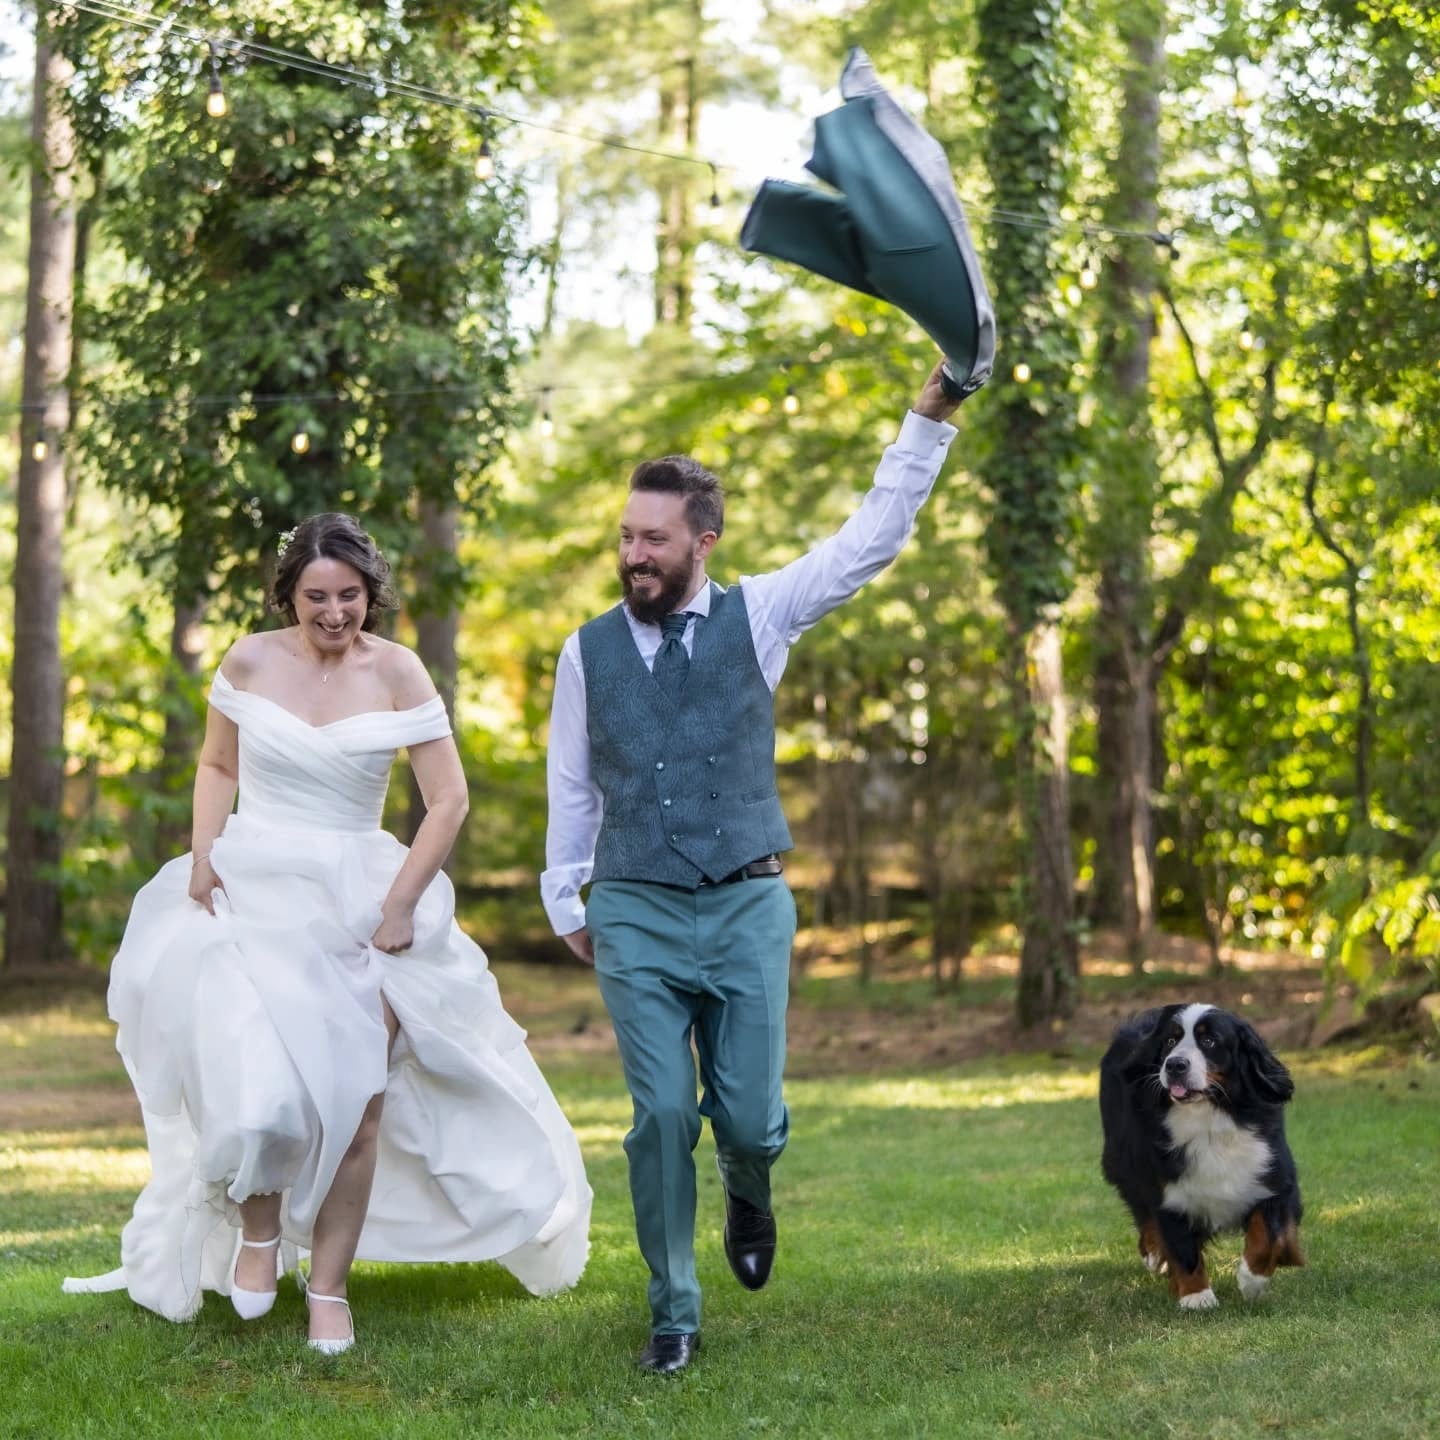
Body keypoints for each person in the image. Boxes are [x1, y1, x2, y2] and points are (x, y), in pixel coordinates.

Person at [65, 513, 591, 1352]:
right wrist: (205, 855)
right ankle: (263, 1233)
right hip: (256, 880)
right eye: (317, 596)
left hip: (361, 889)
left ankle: (331, 1289)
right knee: (257, 1082)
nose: (335, 612)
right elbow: (217, 765)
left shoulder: (400, 672)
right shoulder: (248, 659)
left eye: (349, 596)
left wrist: (400, 905)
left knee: (359, 1100)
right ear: (289, 595)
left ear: (369, 596)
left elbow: (448, 800)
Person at [541, 358, 965, 1374]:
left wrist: (930, 419)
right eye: (626, 537)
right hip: (635, 902)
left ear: (701, 541)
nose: (633, 554)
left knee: (748, 1115)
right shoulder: (583, 651)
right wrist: (568, 892)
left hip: (746, 902)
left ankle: (751, 1180)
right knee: (657, 1114)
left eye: (653, 538)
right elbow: (573, 784)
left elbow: (872, 541)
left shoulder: (763, 615)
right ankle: (674, 1310)